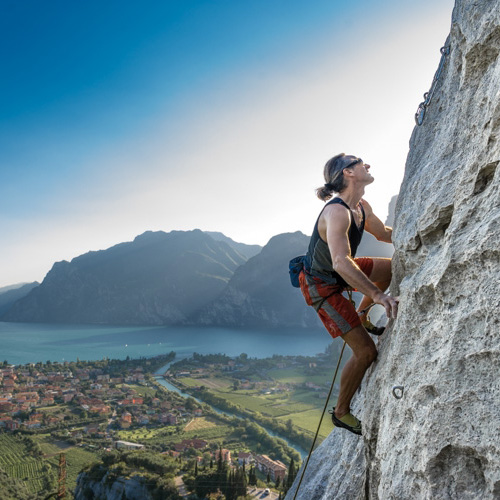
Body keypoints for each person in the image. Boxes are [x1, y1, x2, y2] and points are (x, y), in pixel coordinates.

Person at [299, 153, 398, 435]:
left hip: (338, 274)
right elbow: (341, 261)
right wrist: (378, 296)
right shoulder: (336, 212)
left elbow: (382, 234)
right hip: (322, 286)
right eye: (359, 161)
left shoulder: (360, 207)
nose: (367, 164)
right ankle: (341, 412)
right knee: (366, 352)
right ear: (348, 173)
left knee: (390, 268)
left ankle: (362, 316)